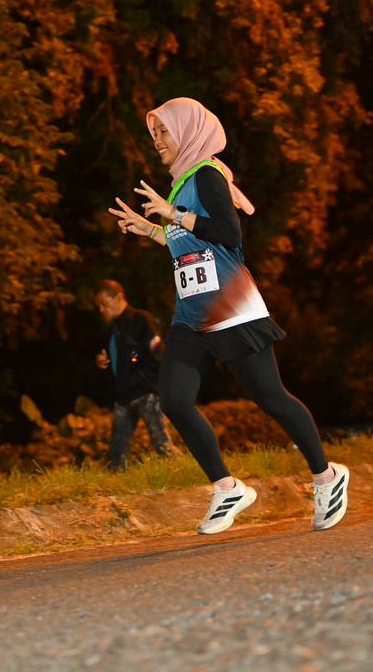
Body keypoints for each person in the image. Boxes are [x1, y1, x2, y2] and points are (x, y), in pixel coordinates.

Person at [108, 97, 349, 534]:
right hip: (191, 312)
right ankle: (227, 487)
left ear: (187, 131)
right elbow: (189, 241)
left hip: (231, 307)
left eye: (163, 131)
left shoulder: (207, 174)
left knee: (271, 398)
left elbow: (227, 232)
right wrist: (154, 231)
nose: (157, 140)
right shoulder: (181, 182)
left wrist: (174, 214)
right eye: (153, 133)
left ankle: (327, 477)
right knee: (175, 400)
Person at [94, 279, 176, 471]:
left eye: (104, 303)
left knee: (162, 444)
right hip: (124, 395)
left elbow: (157, 352)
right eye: (99, 306)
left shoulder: (140, 319)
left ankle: (183, 472)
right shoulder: (114, 328)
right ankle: (116, 478)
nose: (101, 309)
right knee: (116, 450)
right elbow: (118, 359)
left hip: (145, 393)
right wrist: (102, 361)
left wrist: (152, 383)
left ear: (118, 298)